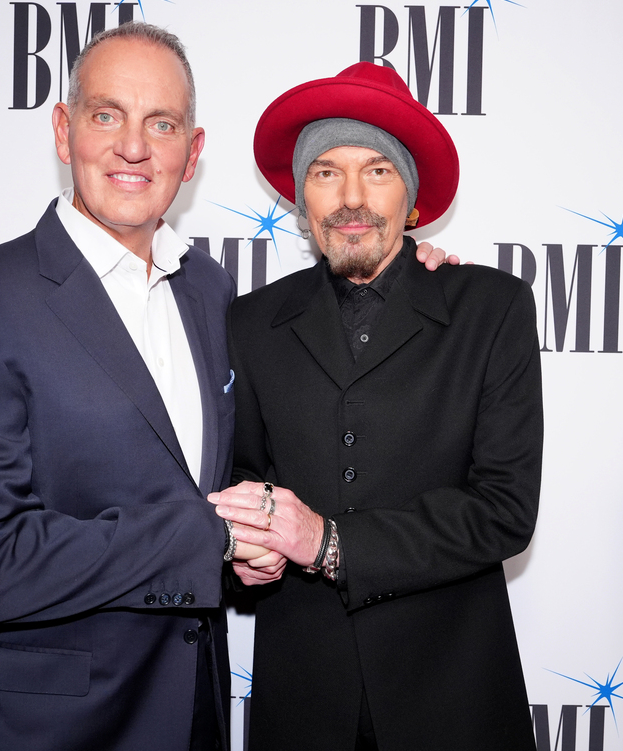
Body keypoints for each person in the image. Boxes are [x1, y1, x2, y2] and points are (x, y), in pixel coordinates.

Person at [0, 22, 453, 750]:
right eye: (107, 115)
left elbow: (214, 486)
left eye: (160, 123)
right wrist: (213, 538)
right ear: (64, 131)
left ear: (192, 153)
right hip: (39, 727)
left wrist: (406, 288)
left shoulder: (208, 292)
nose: (133, 147)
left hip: (191, 717)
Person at [209, 61, 543, 750]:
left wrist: (332, 545)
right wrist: (243, 556)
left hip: (454, 694)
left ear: (412, 201)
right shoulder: (250, 322)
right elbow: (242, 487)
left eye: (379, 171)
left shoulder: (490, 307)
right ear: (302, 198)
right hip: (302, 700)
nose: (351, 197)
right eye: (327, 171)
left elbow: (504, 510)